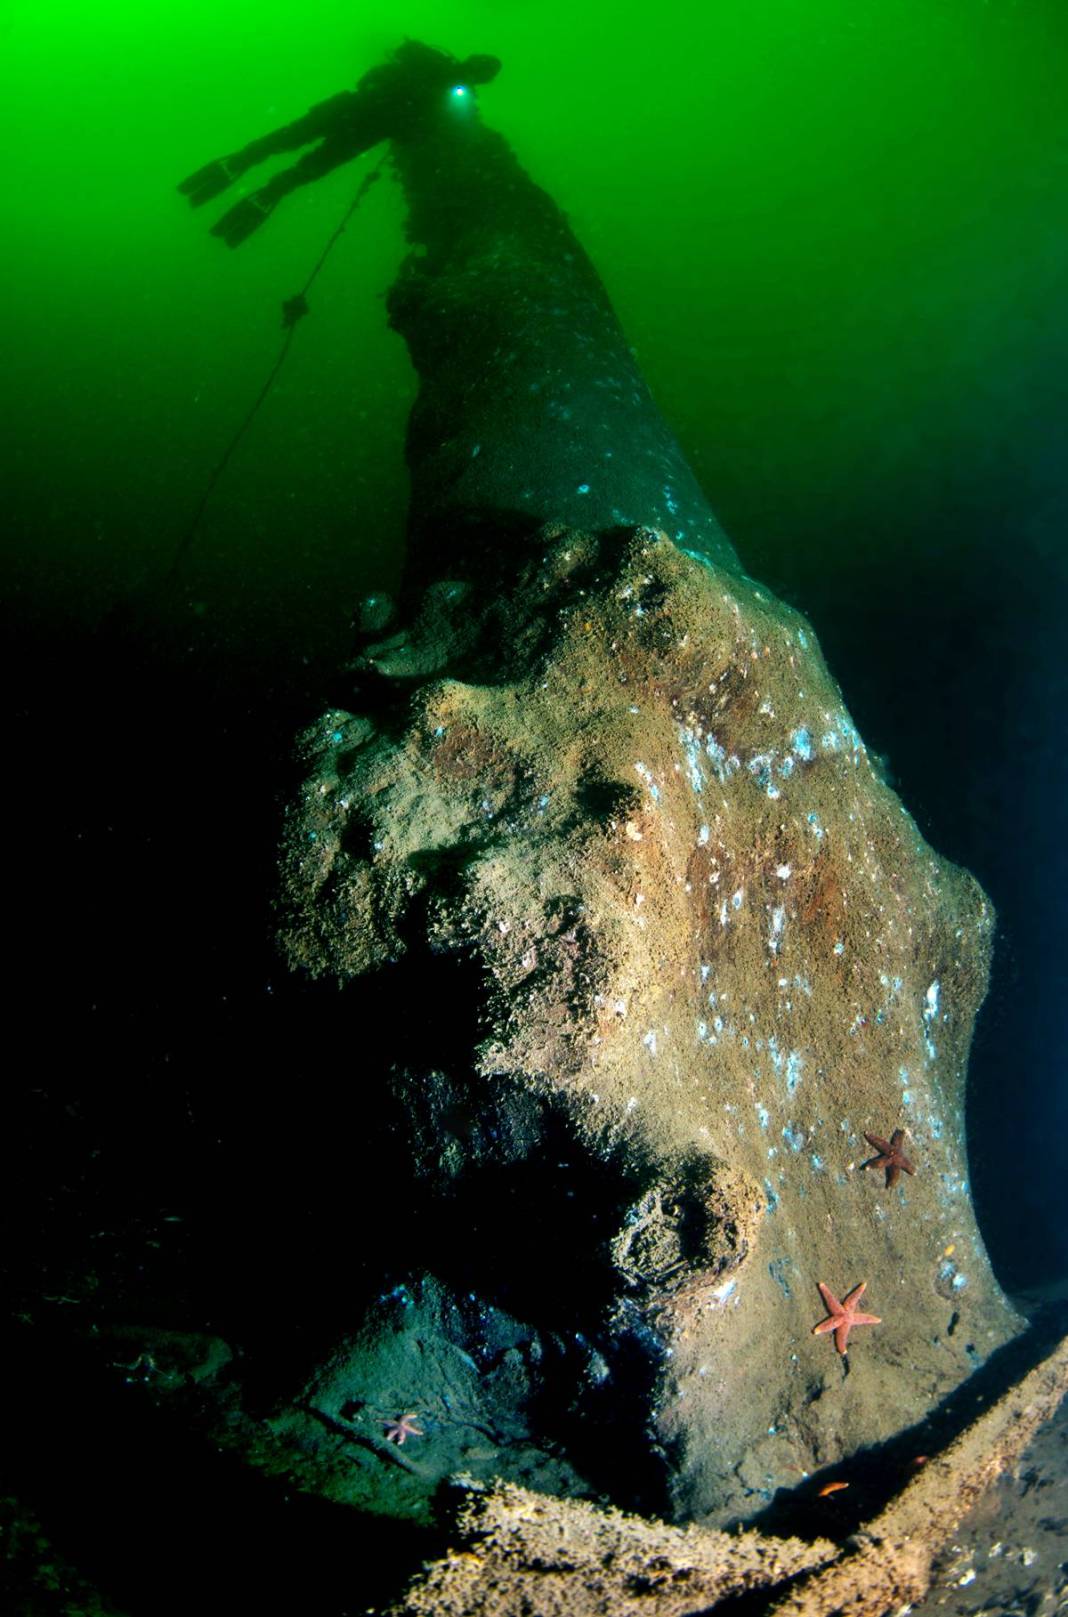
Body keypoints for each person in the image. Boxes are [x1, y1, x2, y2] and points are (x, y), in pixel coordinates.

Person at [178, 40, 501, 248]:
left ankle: (244, 172)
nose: (474, 74)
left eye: (480, 73)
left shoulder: (442, 82)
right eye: (479, 70)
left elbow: (386, 91)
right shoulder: (438, 73)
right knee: (297, 160)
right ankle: (253, 180)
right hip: (357, 124)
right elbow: (417, 130)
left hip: (353, 118)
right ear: (475, 68)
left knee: (291, 152)